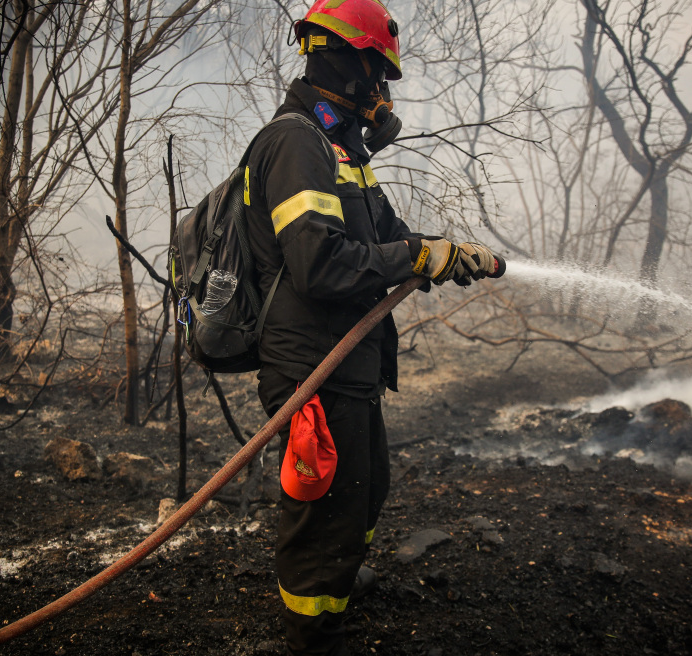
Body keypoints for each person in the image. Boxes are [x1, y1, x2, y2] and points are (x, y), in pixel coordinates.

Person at [243, 1, 500, 653]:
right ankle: (309, 629)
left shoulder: (339, 152)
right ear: (354, 66)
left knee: (365, 488)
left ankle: (334, 598)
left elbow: (388, 237)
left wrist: (447, 253)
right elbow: (318, 265)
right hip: (311, 366)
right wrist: (411, 257)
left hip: (347, 365)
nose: (384, 95)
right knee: (325, 509)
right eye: (380, 77)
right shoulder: (296, 143)